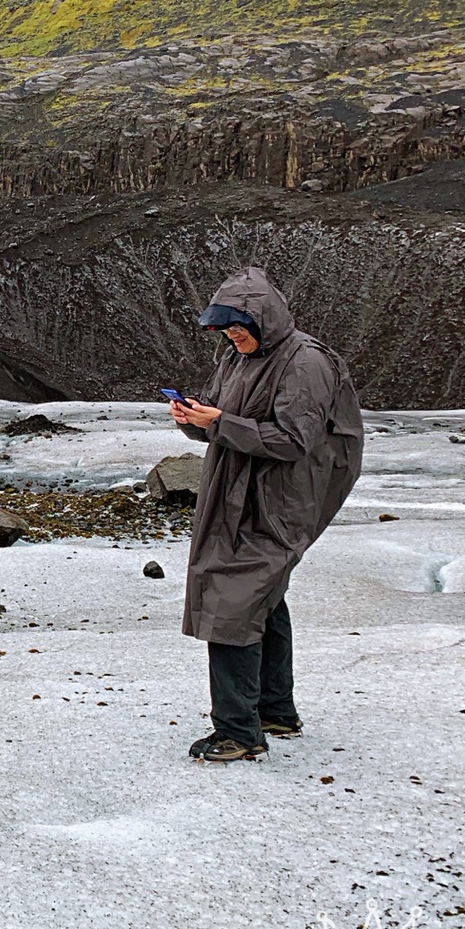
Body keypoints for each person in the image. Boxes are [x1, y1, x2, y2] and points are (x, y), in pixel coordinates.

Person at [171, 268, 363, 763]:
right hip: (238, 492)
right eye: (225, 330)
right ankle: (276, 711)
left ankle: (238, 731)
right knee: (263, 598)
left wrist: (221, 423)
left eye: (240, 328)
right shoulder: (237, 356)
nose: (233, 337)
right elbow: (222, 419)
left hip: (277, 501)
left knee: (231, 604)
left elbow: (294, 440)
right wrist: (197, 420)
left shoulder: (305, 363)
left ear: (264, 318)